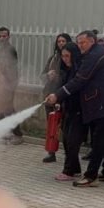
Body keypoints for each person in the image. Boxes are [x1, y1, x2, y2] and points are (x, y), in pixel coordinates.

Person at [46, 30, 104, 188]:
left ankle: (91, 176)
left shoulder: (94, 56)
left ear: (92, 41)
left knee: (99, 141)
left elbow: (79, 80)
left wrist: (57, 96)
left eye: (83, 42)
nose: (80, 46)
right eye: (78, 43)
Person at [54, 42, 84, 181]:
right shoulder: (67, 70)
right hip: (69, 110)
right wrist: (60, 103)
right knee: (66, 140)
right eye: (63, 56)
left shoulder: (79, 71)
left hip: (79, 111)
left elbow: (73, 89)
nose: (65, 59)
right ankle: (76, 169)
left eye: (67, 56)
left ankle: (69, 171)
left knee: (72, 141)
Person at [41, 33, 72, 162]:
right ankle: (51, 152)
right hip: (49, 96)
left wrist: (59, 78)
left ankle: (69, 154)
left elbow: (71, 79)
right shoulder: (52, 58)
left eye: (63, 41)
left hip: (63, 97)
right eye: (58, 41)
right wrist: (48, 75)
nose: (61, 43)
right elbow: (42, 75)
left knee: (66, 128)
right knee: (51, 126)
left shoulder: (71, 59)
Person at [0, 27, 22, 143]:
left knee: (8, 110)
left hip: (8, 85)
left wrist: (9, 85)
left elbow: (12, 69)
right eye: (0, 36)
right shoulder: (2, 49)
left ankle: (18, 135)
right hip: (2, 85)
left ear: (9, 37)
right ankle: (5, 133)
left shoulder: (11, 49)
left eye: (4, 36)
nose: (2, 38)